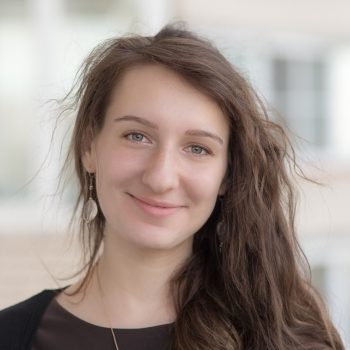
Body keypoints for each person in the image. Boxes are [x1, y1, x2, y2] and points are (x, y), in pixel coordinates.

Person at [0, 24, 345, 350]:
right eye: (137, 136)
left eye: (198, 148)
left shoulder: (288, 337)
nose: (161, 177)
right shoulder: (10, 335)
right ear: (90, 147)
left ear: (227, 175)